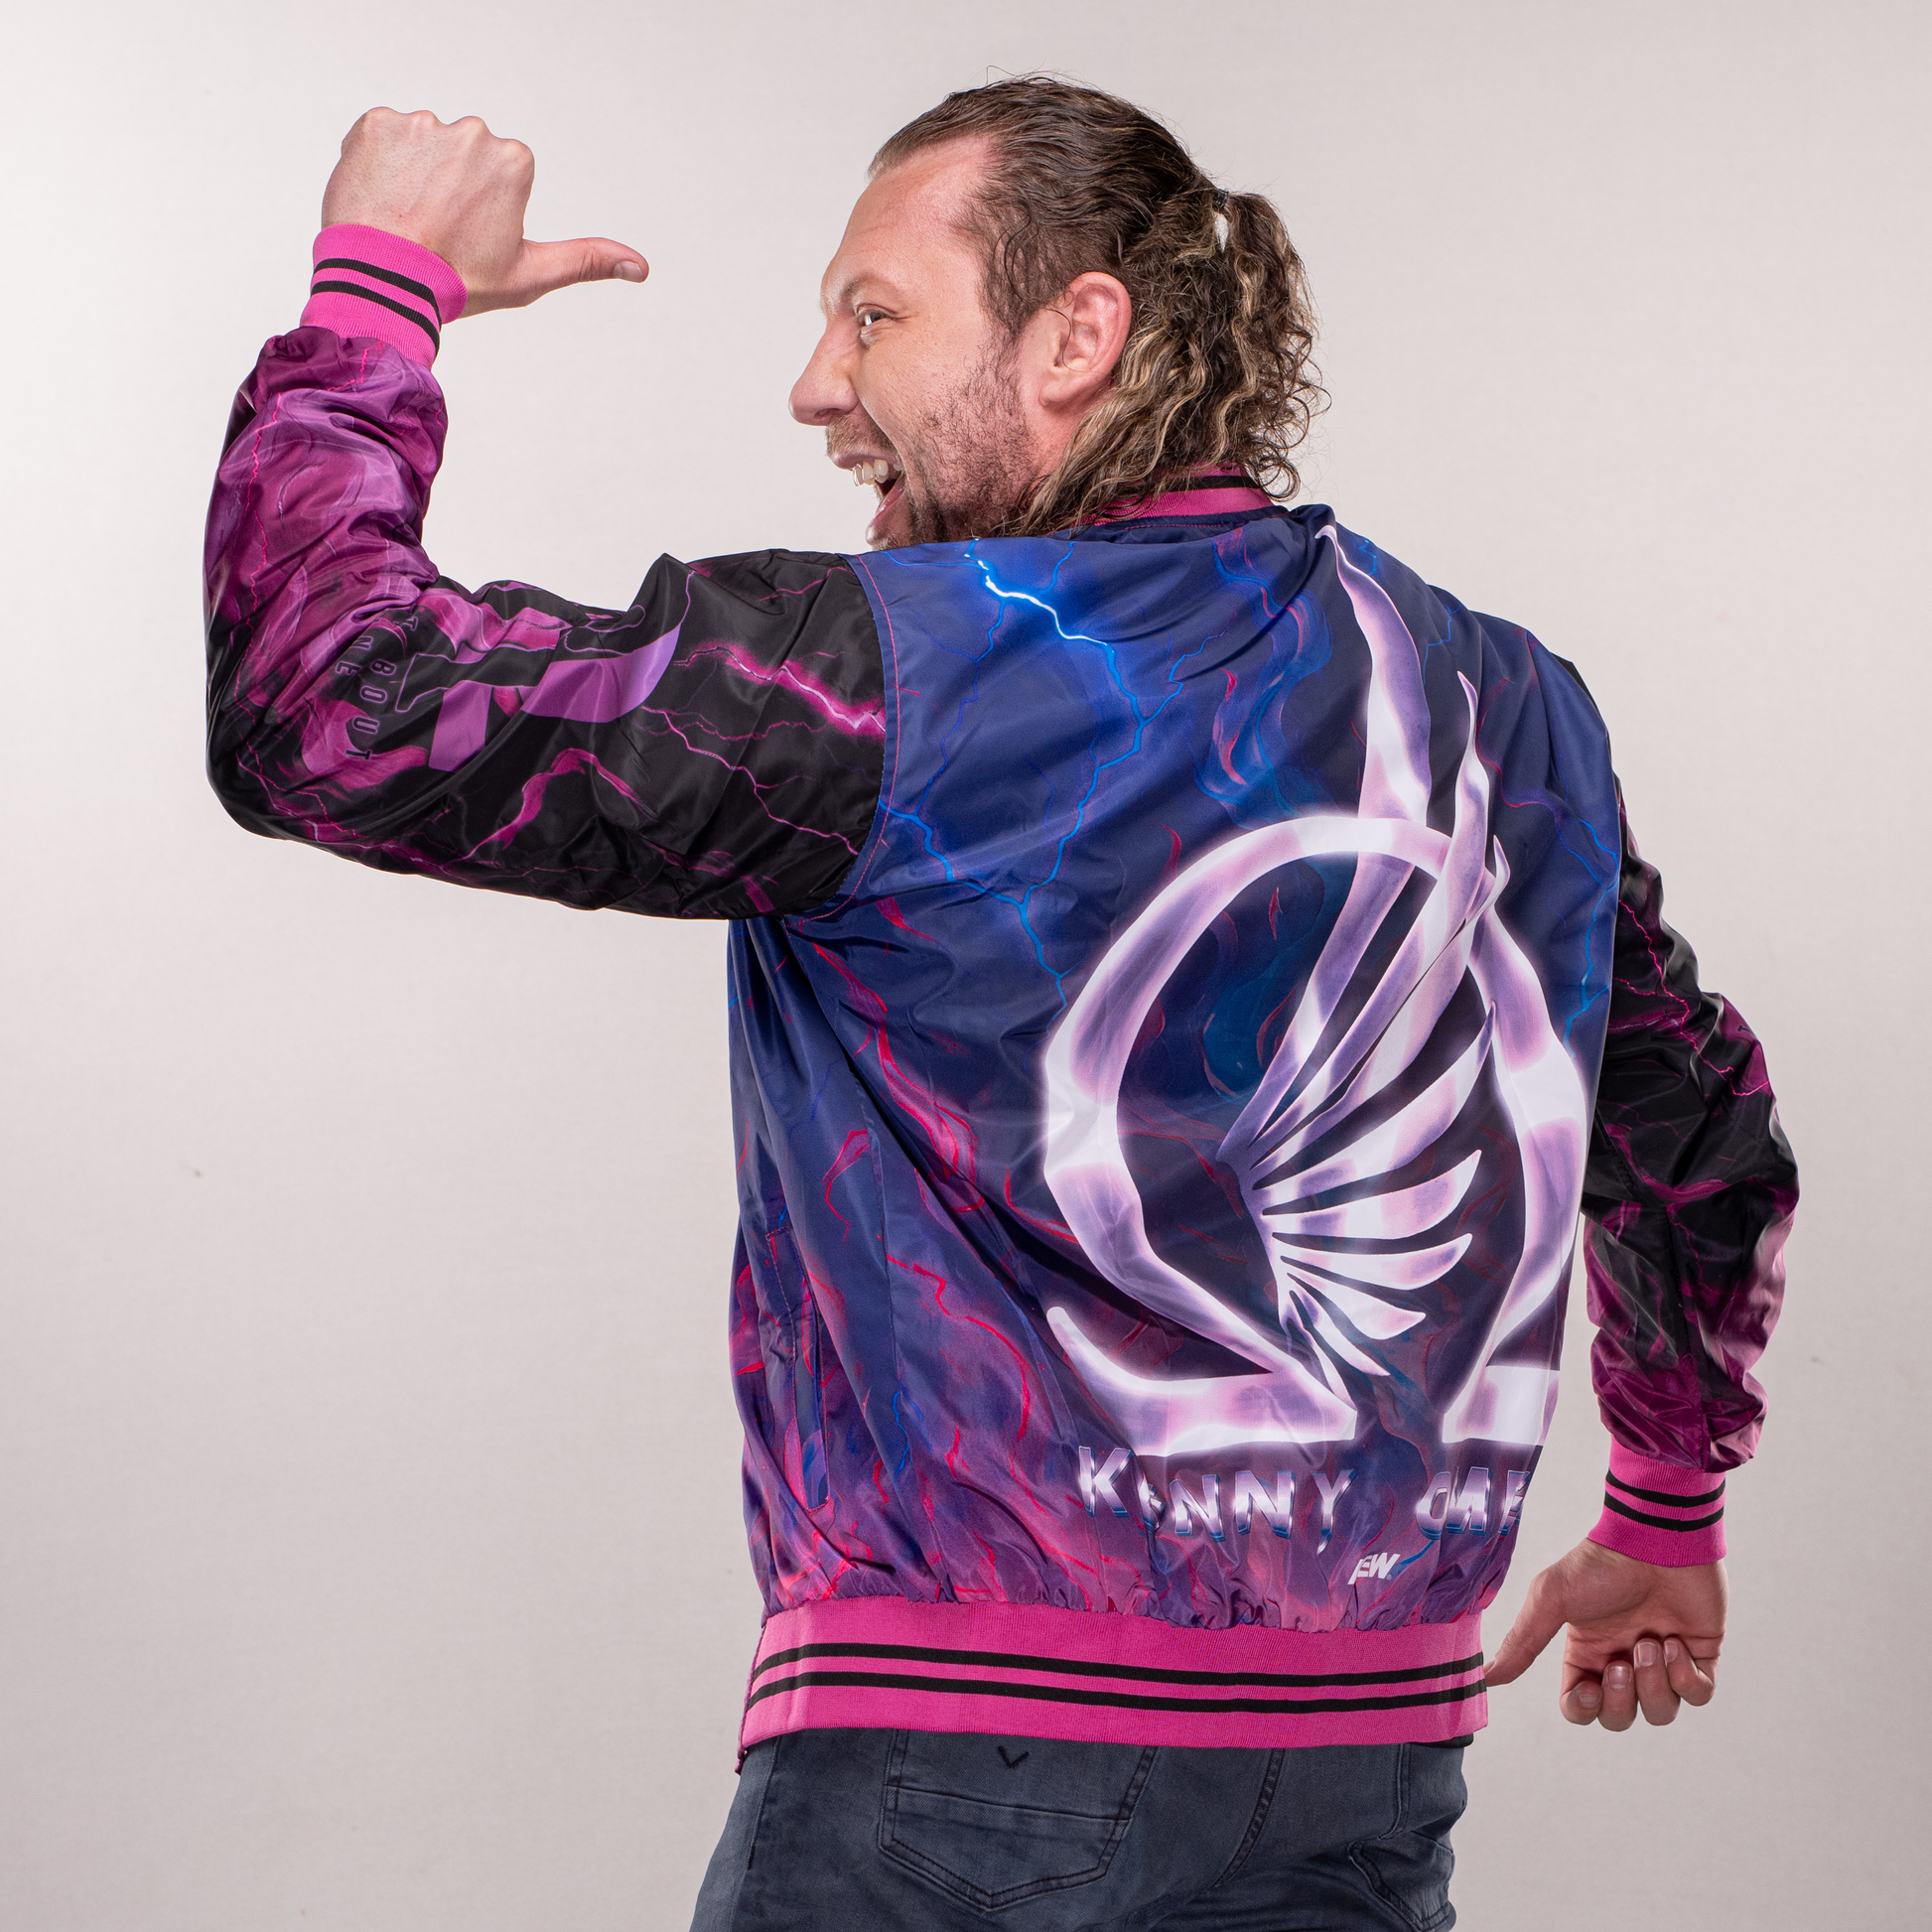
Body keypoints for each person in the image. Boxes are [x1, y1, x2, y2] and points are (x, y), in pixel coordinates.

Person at [204, 77, 1796, 1932]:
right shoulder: (1500, 705)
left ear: (1074, 336)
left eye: (872, 314)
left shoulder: (899, 682)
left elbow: (331, 709)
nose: (814, 384)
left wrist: (377, 291)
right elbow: (1694, 1136)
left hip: (953, 1775)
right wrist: (1665, 1501)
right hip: (1358, 1771)